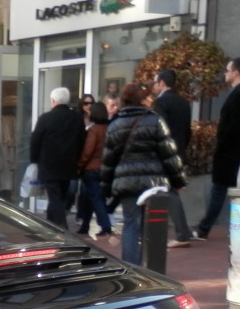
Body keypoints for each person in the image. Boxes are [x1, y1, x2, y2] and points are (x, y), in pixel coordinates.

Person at [100, 83, 188, 264]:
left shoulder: (115, 124)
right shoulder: (155, 121)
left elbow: (109, 160)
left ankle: (132, 268)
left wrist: (107, 188)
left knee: (131, 224)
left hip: (126, 183)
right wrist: (178, 181)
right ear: (140, 99)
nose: (151, 99)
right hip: (153, 183)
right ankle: (152, 266)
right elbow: (168, 154)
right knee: (153, 226)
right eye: (148, 96)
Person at [195, 56, 240, 240]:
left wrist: (222, 143)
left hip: (231, 152)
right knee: (228, 191)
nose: (225, 73)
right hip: (232, 150)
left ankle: (205, 228)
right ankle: (219, 227)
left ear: (236, 72)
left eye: (228, 70)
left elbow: (236, 125)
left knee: (221, 191)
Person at [29, 87, 86, 228]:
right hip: (69, 164)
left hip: (49, 164)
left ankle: (61, 226)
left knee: (54, 196)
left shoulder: (45, 118)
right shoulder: (77, 118)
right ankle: (50, 223)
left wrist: (34, 160)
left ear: (53, 101)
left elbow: (35, 140)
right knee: (60, 195)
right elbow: (82, 140)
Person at [150, 69, 194, 248]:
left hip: (165, 153)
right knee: (170, 190)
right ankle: (182, 232)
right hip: (179, 151)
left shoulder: (161, 103)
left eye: (155, 82)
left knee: (169, 192)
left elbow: (159, 130)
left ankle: (182, 234)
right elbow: (187, 130)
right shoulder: (183, 103)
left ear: (161, 83)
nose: (153, 86)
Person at [75, 101, 113, 239]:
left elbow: (87, 151)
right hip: (104, 168)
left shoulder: (93, 130)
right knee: (90, 198)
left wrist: (79, 165)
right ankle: (85, 225)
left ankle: (105, 225)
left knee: (95, 198)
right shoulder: (109, 128)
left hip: (91, 168)